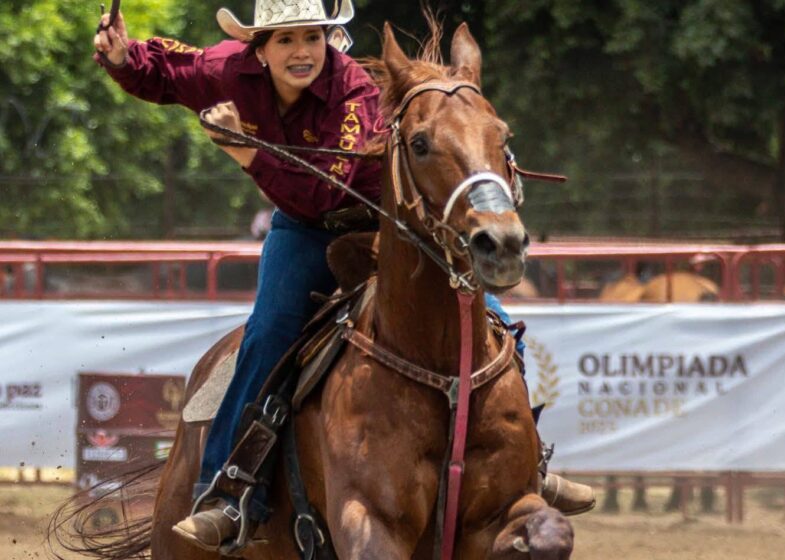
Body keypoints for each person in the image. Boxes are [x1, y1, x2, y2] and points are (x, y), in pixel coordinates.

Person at [94, 0, 593, 552]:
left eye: (313, 36)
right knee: (270, 330)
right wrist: (121, 58)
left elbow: (329, 190)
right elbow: (170, 71)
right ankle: (230, 490)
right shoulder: (230, 72)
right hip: (304, 231)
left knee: (495, 324)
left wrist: (246, 154)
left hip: (391, 225)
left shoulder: (353, 91)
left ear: (329, 39)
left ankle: (526, 464)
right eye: (285, 40)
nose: (301, 51)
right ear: (260, 48)